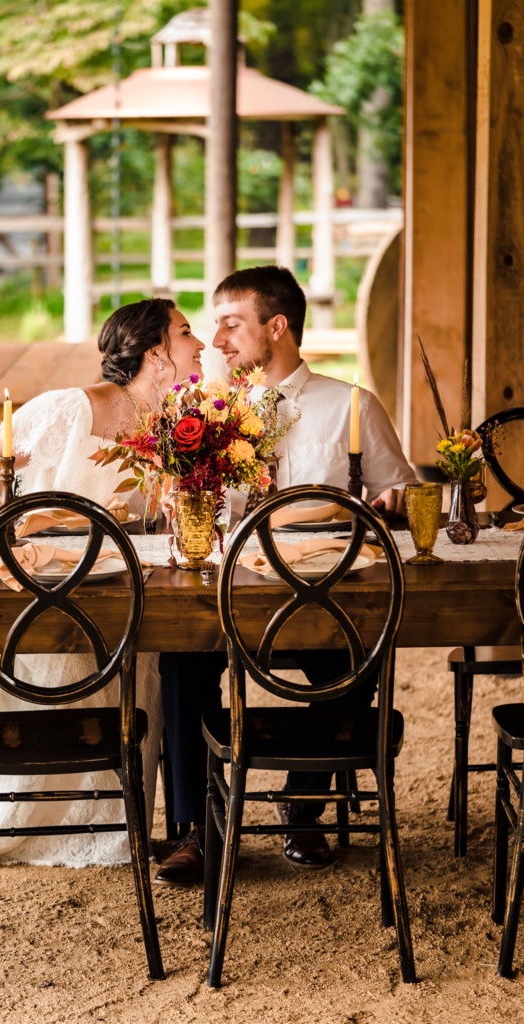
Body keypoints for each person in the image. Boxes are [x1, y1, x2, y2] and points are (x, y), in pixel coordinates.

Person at [0, 298, 205, 869]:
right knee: (59, 690)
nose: (198, 345)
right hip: (53, 590)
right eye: (185, 333)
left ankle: (121, 823)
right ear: (155, 354)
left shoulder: (172, 424)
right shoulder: (71, 407)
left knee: (144, 672)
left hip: (127, 591)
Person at [155, 266, 417, 886]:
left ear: (277, 327)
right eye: (212, 325)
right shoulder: (213, 413)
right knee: (178, 658)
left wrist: (395, 503)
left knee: (360, 655)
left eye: (230, 324)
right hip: (230, 597)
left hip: (324, 601)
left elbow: (400, 488)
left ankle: (303, 806)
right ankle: (198, 826)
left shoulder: (350, 405)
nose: (217, 339)